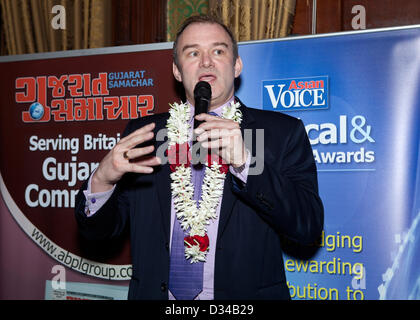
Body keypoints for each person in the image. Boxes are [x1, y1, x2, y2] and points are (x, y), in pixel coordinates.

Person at [75, 15, 323, 300]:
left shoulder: (280, 133)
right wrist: (102, 180)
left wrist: (246, 163)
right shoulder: (146, 134)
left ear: (237, 65)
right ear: (177, 71)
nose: (206, 62)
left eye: (218, 51)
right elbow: (98, 233)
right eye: (193, 53)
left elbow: (308, 228)